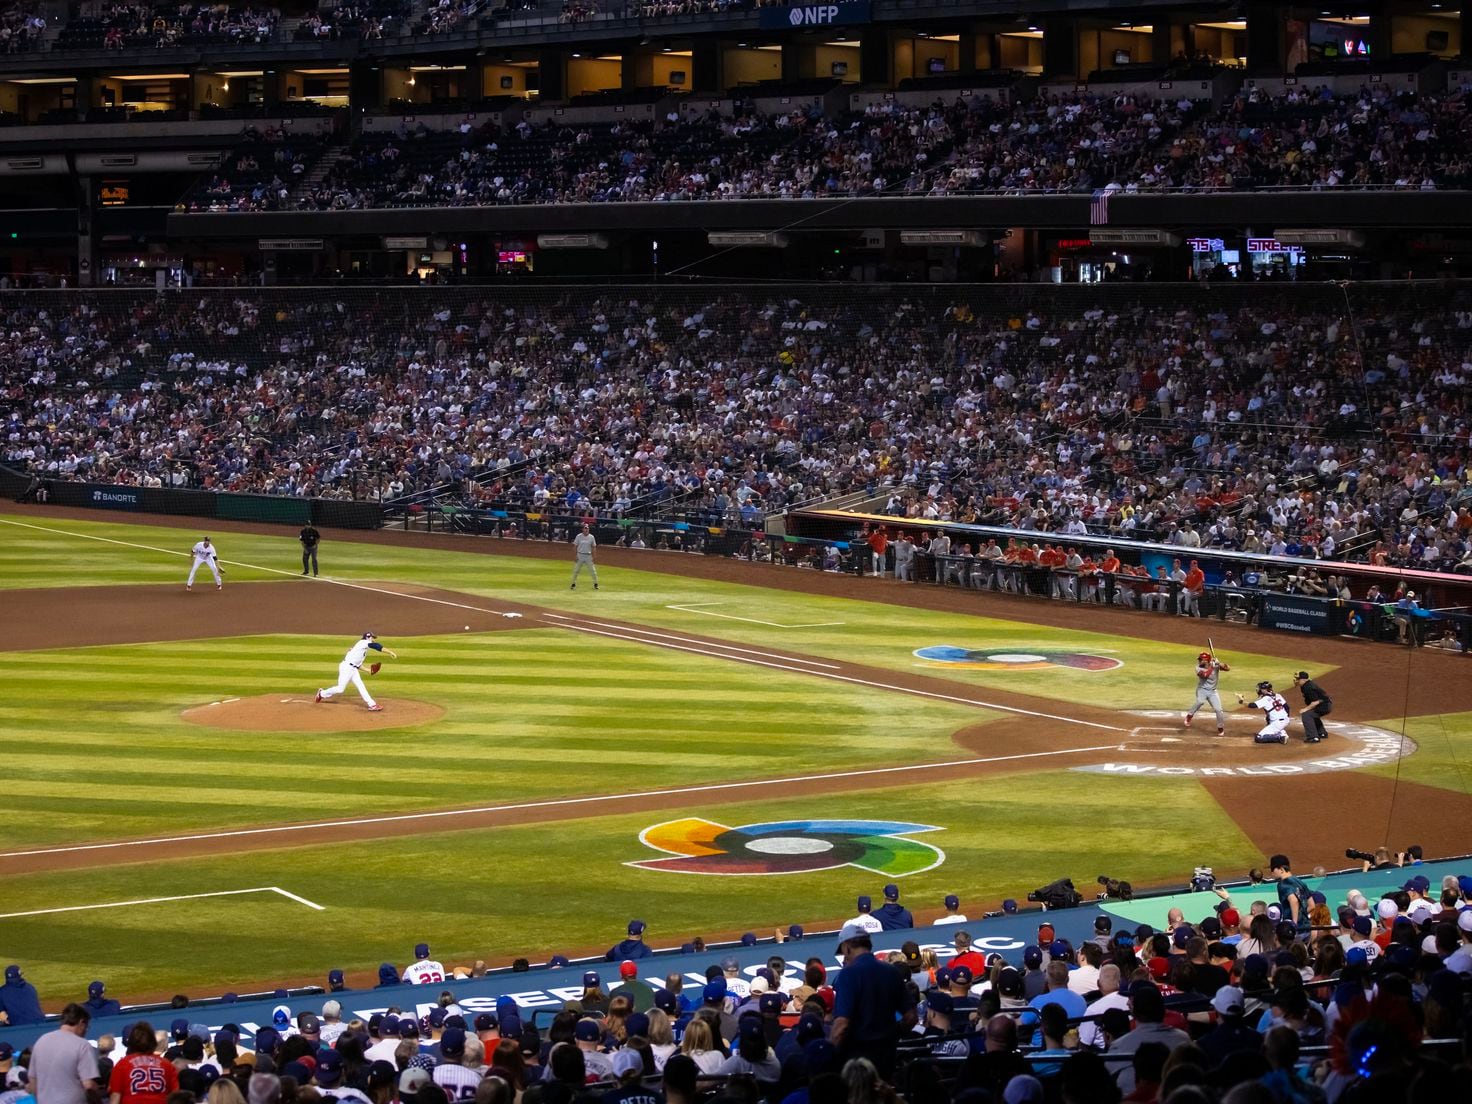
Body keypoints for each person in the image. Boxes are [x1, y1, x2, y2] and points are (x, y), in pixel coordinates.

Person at [829, 931, 915, 1079]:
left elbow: (842, 1025)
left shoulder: (848, 974)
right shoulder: (891, 971)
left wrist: (829, 1053)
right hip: (887, 1058)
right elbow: (911, 1017)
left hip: (857, 1063)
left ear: (847, 947)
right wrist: (892, 1034)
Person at [28, 1004, 100, 1104]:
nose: (85, 1031)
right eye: (86, 1027)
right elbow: (88, 1085)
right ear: (81, 1022)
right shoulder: (82, 1044)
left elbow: (32, 1080)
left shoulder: (42, 1040)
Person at [316, 632, 397, 712]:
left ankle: (372, 704)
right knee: (340, 689)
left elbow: (357, 665)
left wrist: (369, 670)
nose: (373, 640)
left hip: (353, 669)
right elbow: (377, 646)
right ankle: (322, 693)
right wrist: (390, 652)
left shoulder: (361, 649)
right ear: (368, 637)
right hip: (346, 668)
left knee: (361, 685)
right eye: (372, 638)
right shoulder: (364, 642)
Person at [109, 1022, 177, 1104]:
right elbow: (175, 1096)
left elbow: (116, 1095)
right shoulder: (166, 1064)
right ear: (152, 1041)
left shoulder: (122, 1064)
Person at [1183, 651, 1231, 736]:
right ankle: (1189, 716)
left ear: (1206, 660)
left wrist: (1219, 663)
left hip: (1213, 692)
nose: (1199, 661)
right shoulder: (1198, 668)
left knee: (1219, 710)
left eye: (1201, 659)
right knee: (1200, 702)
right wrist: (1213, 666)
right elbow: (1205, 675)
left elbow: (1228, 668)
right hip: (1202, 690)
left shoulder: (1215, 665)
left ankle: (1220, 728)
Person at [1236, 680, 1291, 744]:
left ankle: (1280, 737)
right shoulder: (1278, 695)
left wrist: (1242, 701)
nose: (1259, 690)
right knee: (1268, 719)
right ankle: (1282, 732)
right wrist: (1285, 718)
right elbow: (1287, 707)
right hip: (1285, 720)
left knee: (1259, 738)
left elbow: (1253, 705)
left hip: (1277, 722)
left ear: (1265, 690)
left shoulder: (1265, 699)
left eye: (1261, 689)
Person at [1293, 671, 1332, 744]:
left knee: (1307, 715)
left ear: (1304, 680)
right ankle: (1321, 733)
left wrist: (1305, 709)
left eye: (1298, 679)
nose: (1296, 680)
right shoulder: (1306, 685)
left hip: (1324, 705)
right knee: (1312, 714)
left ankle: (1313, 737)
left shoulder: (1308, 687)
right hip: (1324, 704)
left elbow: (1316, 702)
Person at [570, 523, 599, 590]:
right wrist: (575, 556)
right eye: (585, 528)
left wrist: (594, 556)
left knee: (593, 571)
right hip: (580, 555)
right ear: (582, 529)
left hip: (588, 556)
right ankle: (573, 584)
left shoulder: (591, 537)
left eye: (587, 528)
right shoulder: (578, 536)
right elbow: (575, 546)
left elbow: (594, 547)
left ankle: (596, 584)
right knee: (576, 570)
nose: (586, 530)